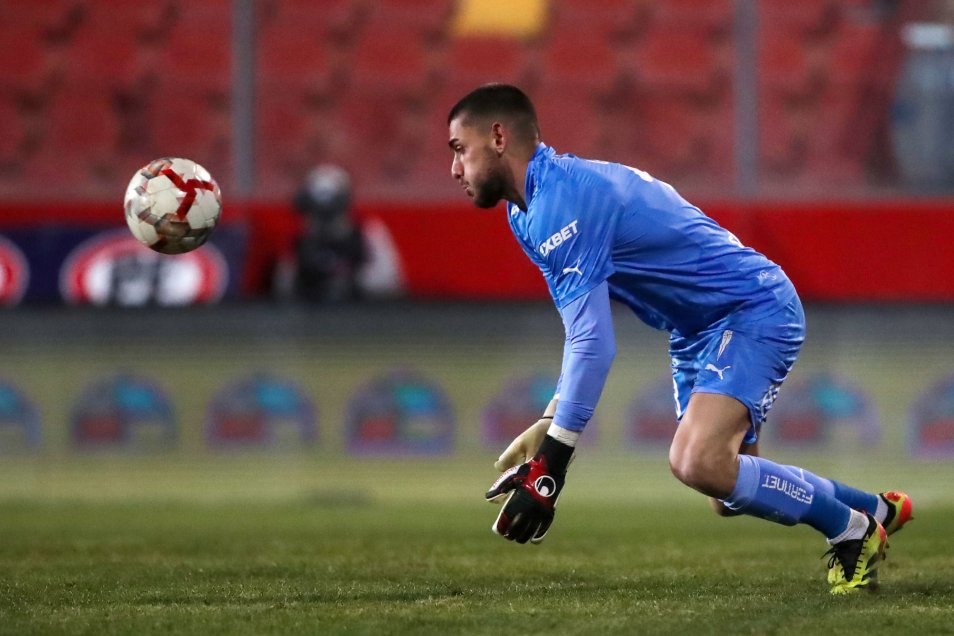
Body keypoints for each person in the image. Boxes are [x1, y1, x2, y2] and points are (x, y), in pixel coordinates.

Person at [446, 83, 913, 595]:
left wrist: (552, 462)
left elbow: (594, 343)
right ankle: (875, 508)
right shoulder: (526, 213)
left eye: (458, 150)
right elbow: (581, 331)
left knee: (697, 462)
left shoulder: (564, 202)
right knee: (724, 489)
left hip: (751, 309)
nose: (454, 170)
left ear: (496, 137)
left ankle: (853, 532)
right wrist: (550, 418)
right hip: (697, 331)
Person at [291, 165, 367, 302]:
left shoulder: (359, 240)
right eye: (315, 211)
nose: (322, 219)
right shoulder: (302, 244)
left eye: (329, 213)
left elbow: (381, 289)